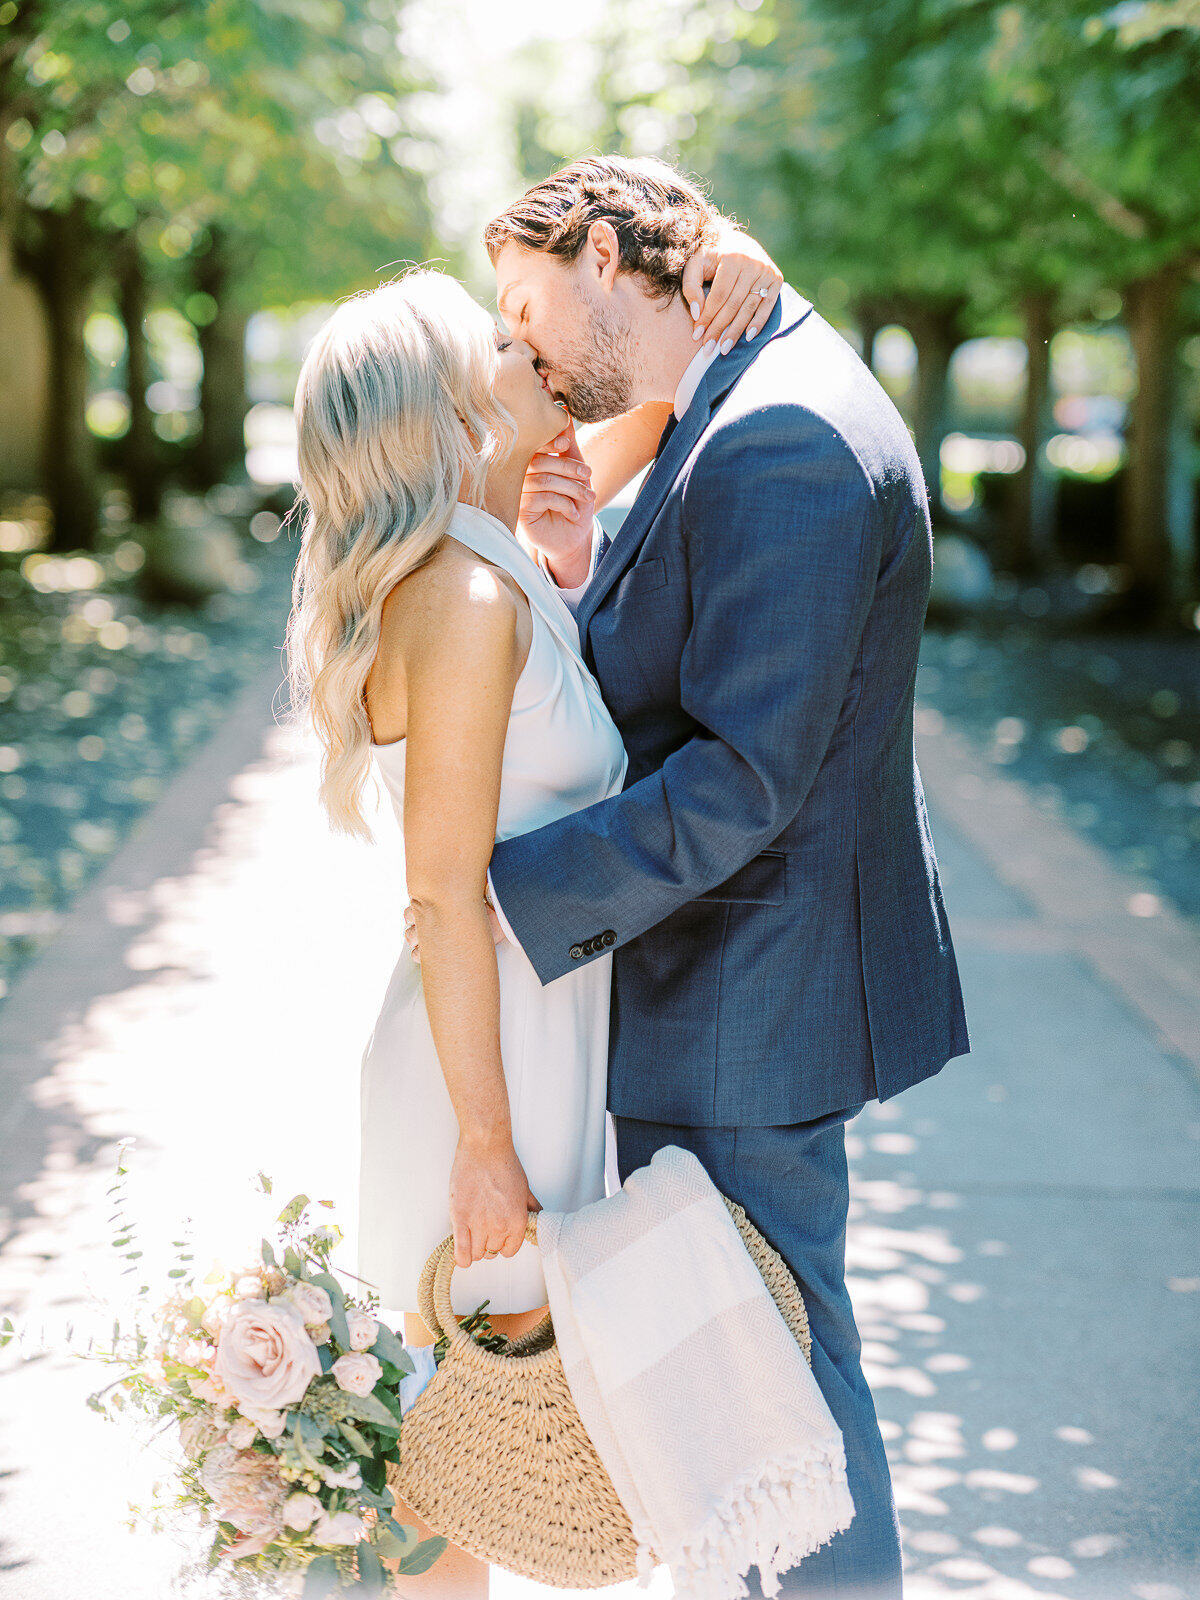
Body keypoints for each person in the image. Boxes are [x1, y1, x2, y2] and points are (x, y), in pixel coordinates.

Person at [453, 154, 973, 1598]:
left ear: (607, 258)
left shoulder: (786, 439)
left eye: (524, 302)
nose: (527, 346)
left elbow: (746, 777)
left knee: (781, 1391)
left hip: (753, 999)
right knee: (746, 1388)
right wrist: (581, 570)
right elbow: (705, 648)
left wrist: (508, 895)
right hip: (745, 981)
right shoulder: (744, 386)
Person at [285, 233, 781, 1598]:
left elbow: (655, 403)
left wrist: (725, 268)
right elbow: (439, 898)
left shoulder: (489, 549)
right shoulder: (458, 593)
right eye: (503, 346)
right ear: (453, 416)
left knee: (473, 1446)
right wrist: (487, 1148)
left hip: (527, 1041)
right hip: (475, 1073)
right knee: (447, 1465)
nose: (535, 350)